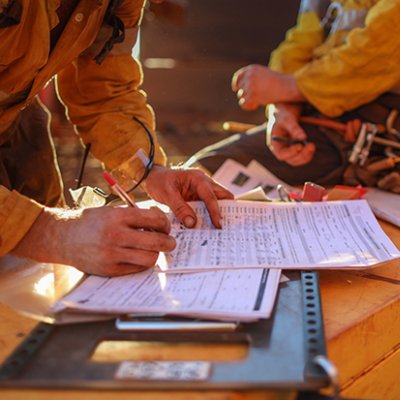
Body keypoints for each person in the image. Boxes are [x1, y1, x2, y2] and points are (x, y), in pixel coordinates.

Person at [0, 0, 233, 277]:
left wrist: (149, 170)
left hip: (16, 124)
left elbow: (104, 91)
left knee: (39, 280)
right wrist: (51, 232)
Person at [198, 0, 400, 189]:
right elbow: (300, 43)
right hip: (328, 133)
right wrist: (284, 108)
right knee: (199, 175)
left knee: (208, 174)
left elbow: (384, 49)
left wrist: (289, 86)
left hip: (381, 140)